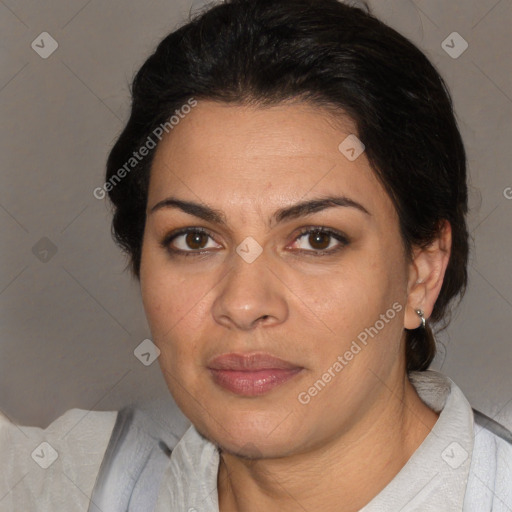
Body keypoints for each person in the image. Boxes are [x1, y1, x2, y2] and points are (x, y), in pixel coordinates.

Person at [1, 0, 511, 510]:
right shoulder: (61, 483)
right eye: (195, 239)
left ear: (421, 271)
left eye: (316, 239)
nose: (244, 304)